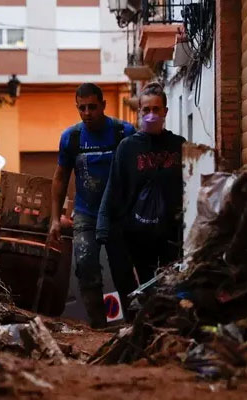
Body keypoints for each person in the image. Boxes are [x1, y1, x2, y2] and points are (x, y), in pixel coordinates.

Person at [96, 82, 185, 319]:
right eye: (146, 110)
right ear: (139, 112)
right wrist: (108, 228)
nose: (151, 115)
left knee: (169, 285)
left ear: (165, 111)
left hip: (171, 233)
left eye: (156, 109)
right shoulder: (127, 148)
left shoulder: (179, 146)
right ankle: (143, 333)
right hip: (137, 235)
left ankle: (166, 331)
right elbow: (115, 189)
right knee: (144, 287)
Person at [50, 83, 135, 329]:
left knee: (123, 271)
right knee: (86, 267)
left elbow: (137, 176)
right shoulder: (72, 138)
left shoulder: (123, 133)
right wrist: (56, 218)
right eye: (82, 108)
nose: (87, 113)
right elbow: (60, 178)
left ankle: (132, 324)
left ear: (103, 105)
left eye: (92, 107)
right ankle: (99, 326)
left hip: (118, 215)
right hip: (86, 214)